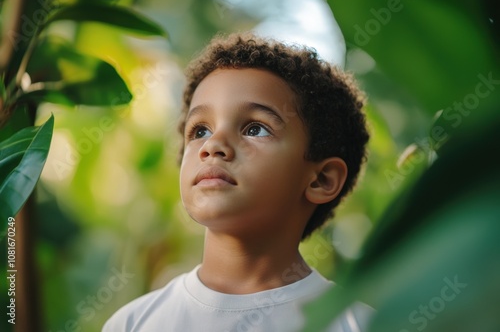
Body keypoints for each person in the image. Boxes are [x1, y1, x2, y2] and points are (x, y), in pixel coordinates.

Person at [103, 32, 372, 332]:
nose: (213, 145)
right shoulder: (133, 323)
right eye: (200, 130)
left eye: (255, 129)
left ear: (321, 179)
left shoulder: (362, 325)